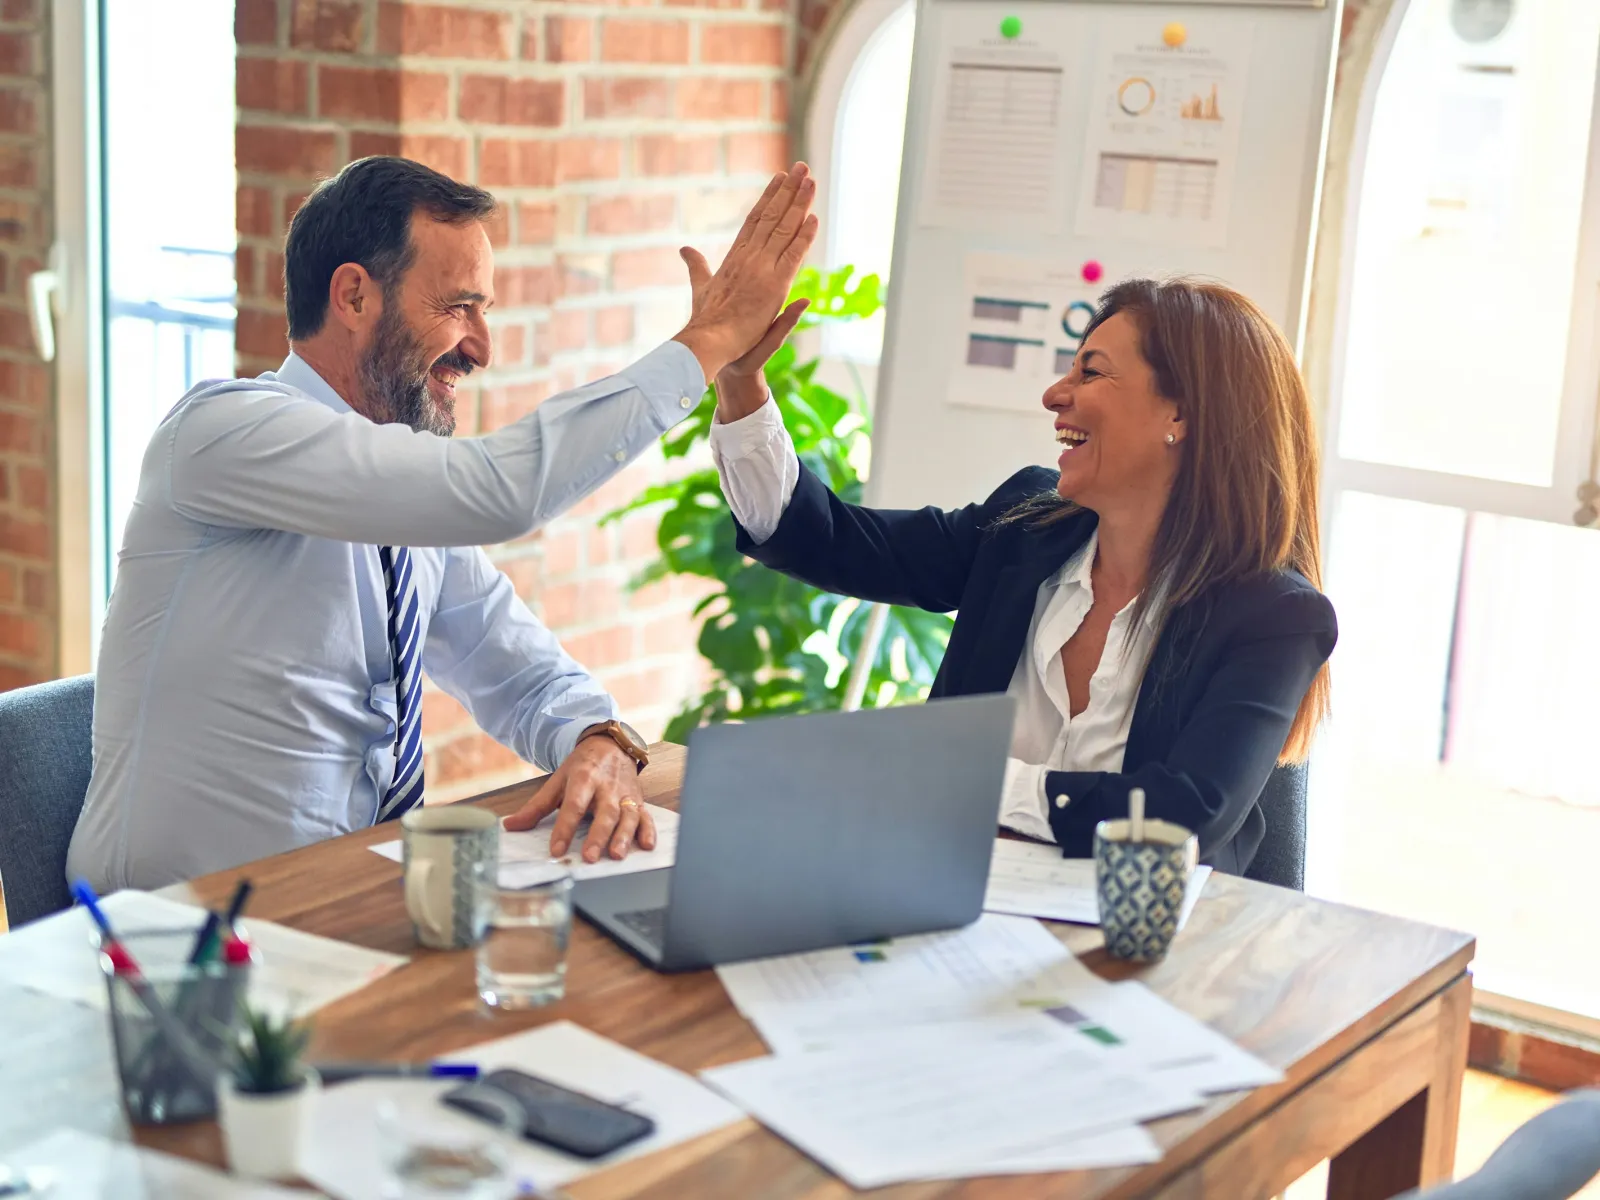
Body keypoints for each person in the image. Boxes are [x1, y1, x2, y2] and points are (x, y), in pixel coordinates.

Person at [67, 155, 818, 891]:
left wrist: (599, 739)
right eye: (459, 306)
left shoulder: (403, 502)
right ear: (354, 298)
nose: (482, 348)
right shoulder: (223, 433)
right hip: (170, 939)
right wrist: (709, 341)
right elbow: (501, 491)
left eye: (484, 310)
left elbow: (518, 669)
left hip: (342, 908)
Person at [709, 277, 1336, 873]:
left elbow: (1180, 820)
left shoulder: (1275, 616)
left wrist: (969, 779)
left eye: (1090, 371)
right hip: (953, 902)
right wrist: (741, 382)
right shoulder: (1025, 528)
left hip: (1149, 948)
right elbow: (829, 540)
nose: (1055, 394)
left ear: (1181, 415)